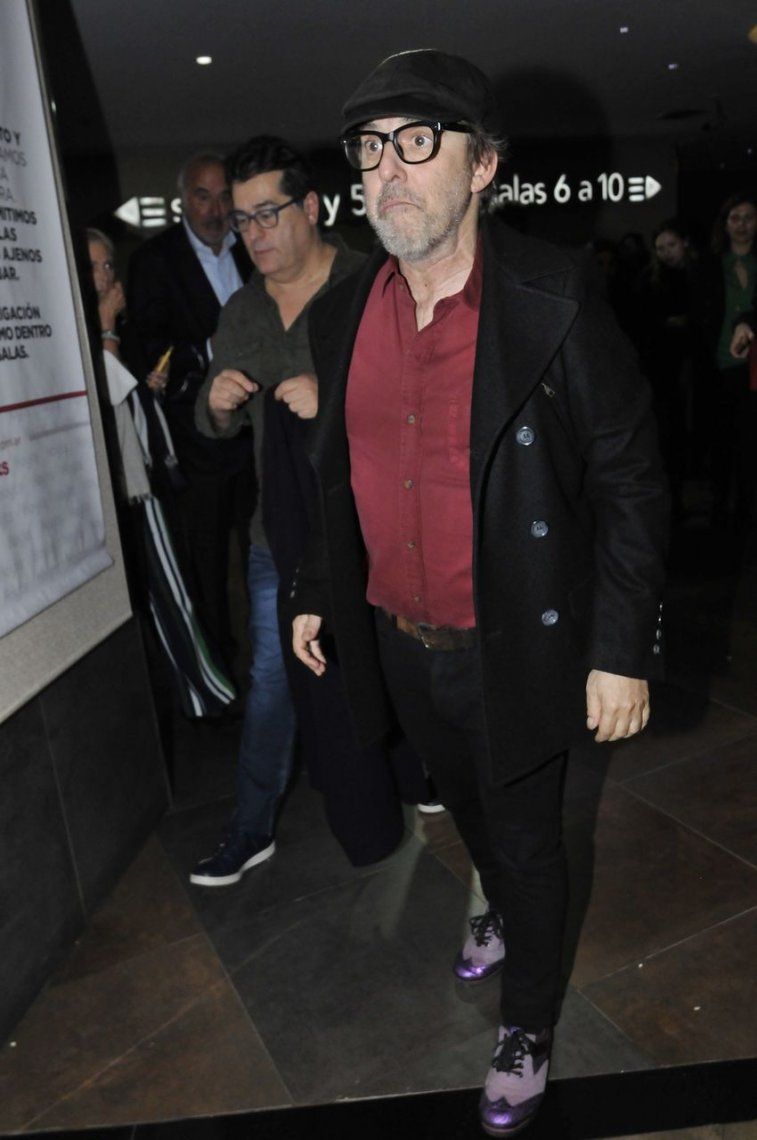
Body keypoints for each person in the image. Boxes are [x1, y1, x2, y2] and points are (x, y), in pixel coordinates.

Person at [291, 50, 668, 1137]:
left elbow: (631, 479)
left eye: (419, 142)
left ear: (484, 166)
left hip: (520, 639)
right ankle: (497, 899)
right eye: (370, 148)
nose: (388, 169)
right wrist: (318, 584)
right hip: (398, 638)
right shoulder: (342, 311)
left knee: (530, 839)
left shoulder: (552, 297)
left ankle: (528, 1023)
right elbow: (338, 474)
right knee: (461, 801)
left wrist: (620, 648)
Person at [191, 136, 431, 886]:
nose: (254, 233)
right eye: (243, 220)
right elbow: (213, 425)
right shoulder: (241, 311)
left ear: (313, 207)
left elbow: (425, 399)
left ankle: (418, 771)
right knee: (274, 678)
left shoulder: (373, 284)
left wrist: (335, 404)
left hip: (381, 530)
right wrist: (216, 403)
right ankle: (251, 826)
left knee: (395, 659)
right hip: (284, 538)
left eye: (268, 213)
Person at [127, 153, 254, 669]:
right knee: (206, 565)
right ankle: (219, 673)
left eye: (224, 197)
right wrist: (207, 349)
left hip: (259, 436)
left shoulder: (252, 250)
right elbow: (147, 348)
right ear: (183, 200)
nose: (216, 209)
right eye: (204, 196)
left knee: (268, 554)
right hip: (196, 444)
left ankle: (278, 657)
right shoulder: (155, 260)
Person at [700, 192, 757, 524]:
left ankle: (747, 506)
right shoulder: (710, 264)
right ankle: (720, 504)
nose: (742, 225)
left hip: (752, 367)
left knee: (750, 439)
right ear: (725, 223)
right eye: (735, 218)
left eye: (748, 217)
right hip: (718, 362)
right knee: (720, 437)